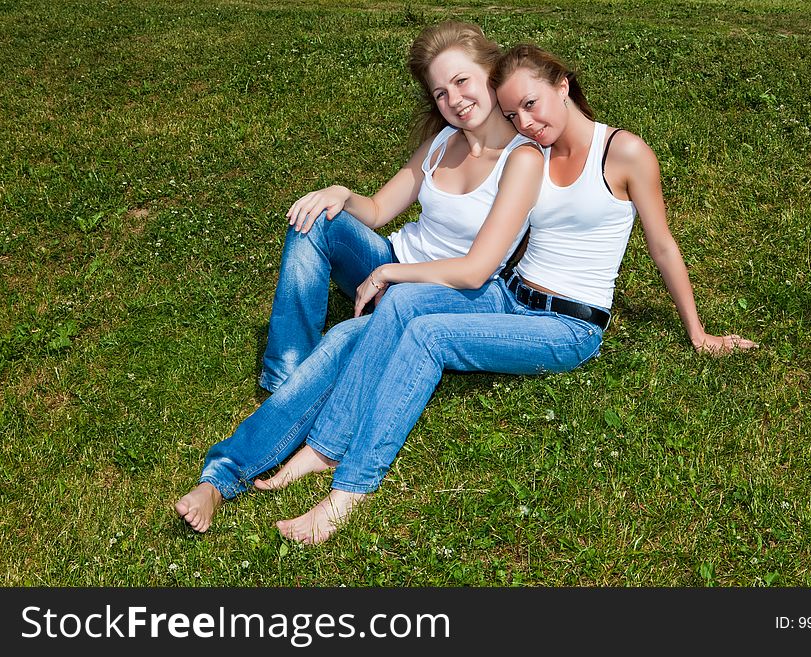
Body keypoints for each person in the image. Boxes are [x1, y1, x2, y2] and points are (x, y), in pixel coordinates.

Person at [260, 43, 759, 544]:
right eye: (512, 112)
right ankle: (322, 450)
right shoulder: (532, 153)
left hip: (567, 326)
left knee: (428, 337)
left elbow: (663, 246)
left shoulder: (624, 153)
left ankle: (348, 495)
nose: (525, 120)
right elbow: (485, 241)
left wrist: (698, 332)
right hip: (509, 296)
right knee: (406, 305)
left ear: (563, 86)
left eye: (532, 103)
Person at [174, 22, 543, 532]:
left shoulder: (521, 160)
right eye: (440, 92)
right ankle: (286, 377)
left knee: (345, 339)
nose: (454, 100)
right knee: (315, 221)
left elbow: (477, 269)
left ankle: (222, 476)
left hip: (437, 293)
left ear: (490, 72)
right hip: (390, 266)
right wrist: (340, 195)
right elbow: (376, 209)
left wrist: (393, 274)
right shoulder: (443, 144)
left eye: (462, 81)